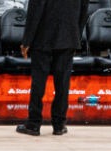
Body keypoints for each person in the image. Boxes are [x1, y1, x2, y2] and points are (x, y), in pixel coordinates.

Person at [16, 0, 85, 136]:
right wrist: (76, 36)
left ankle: (33, 124)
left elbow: (35, 10)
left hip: (43, 36)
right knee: (62, 84)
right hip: (68, 36)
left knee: (38, 83)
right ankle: (59, 125)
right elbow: (83, 11)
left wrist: (27, 40)